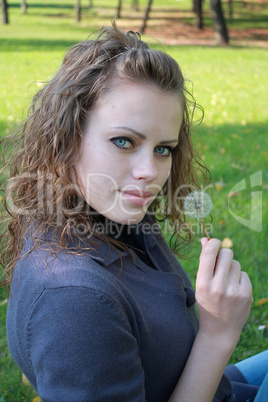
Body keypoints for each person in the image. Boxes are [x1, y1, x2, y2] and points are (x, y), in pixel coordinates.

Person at [0, 23, 267, 401]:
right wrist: (218, 333)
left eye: (164, 149)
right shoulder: (73, 301)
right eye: (124, 141)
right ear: (68, 137)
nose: (151, 171)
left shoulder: (103, 214)